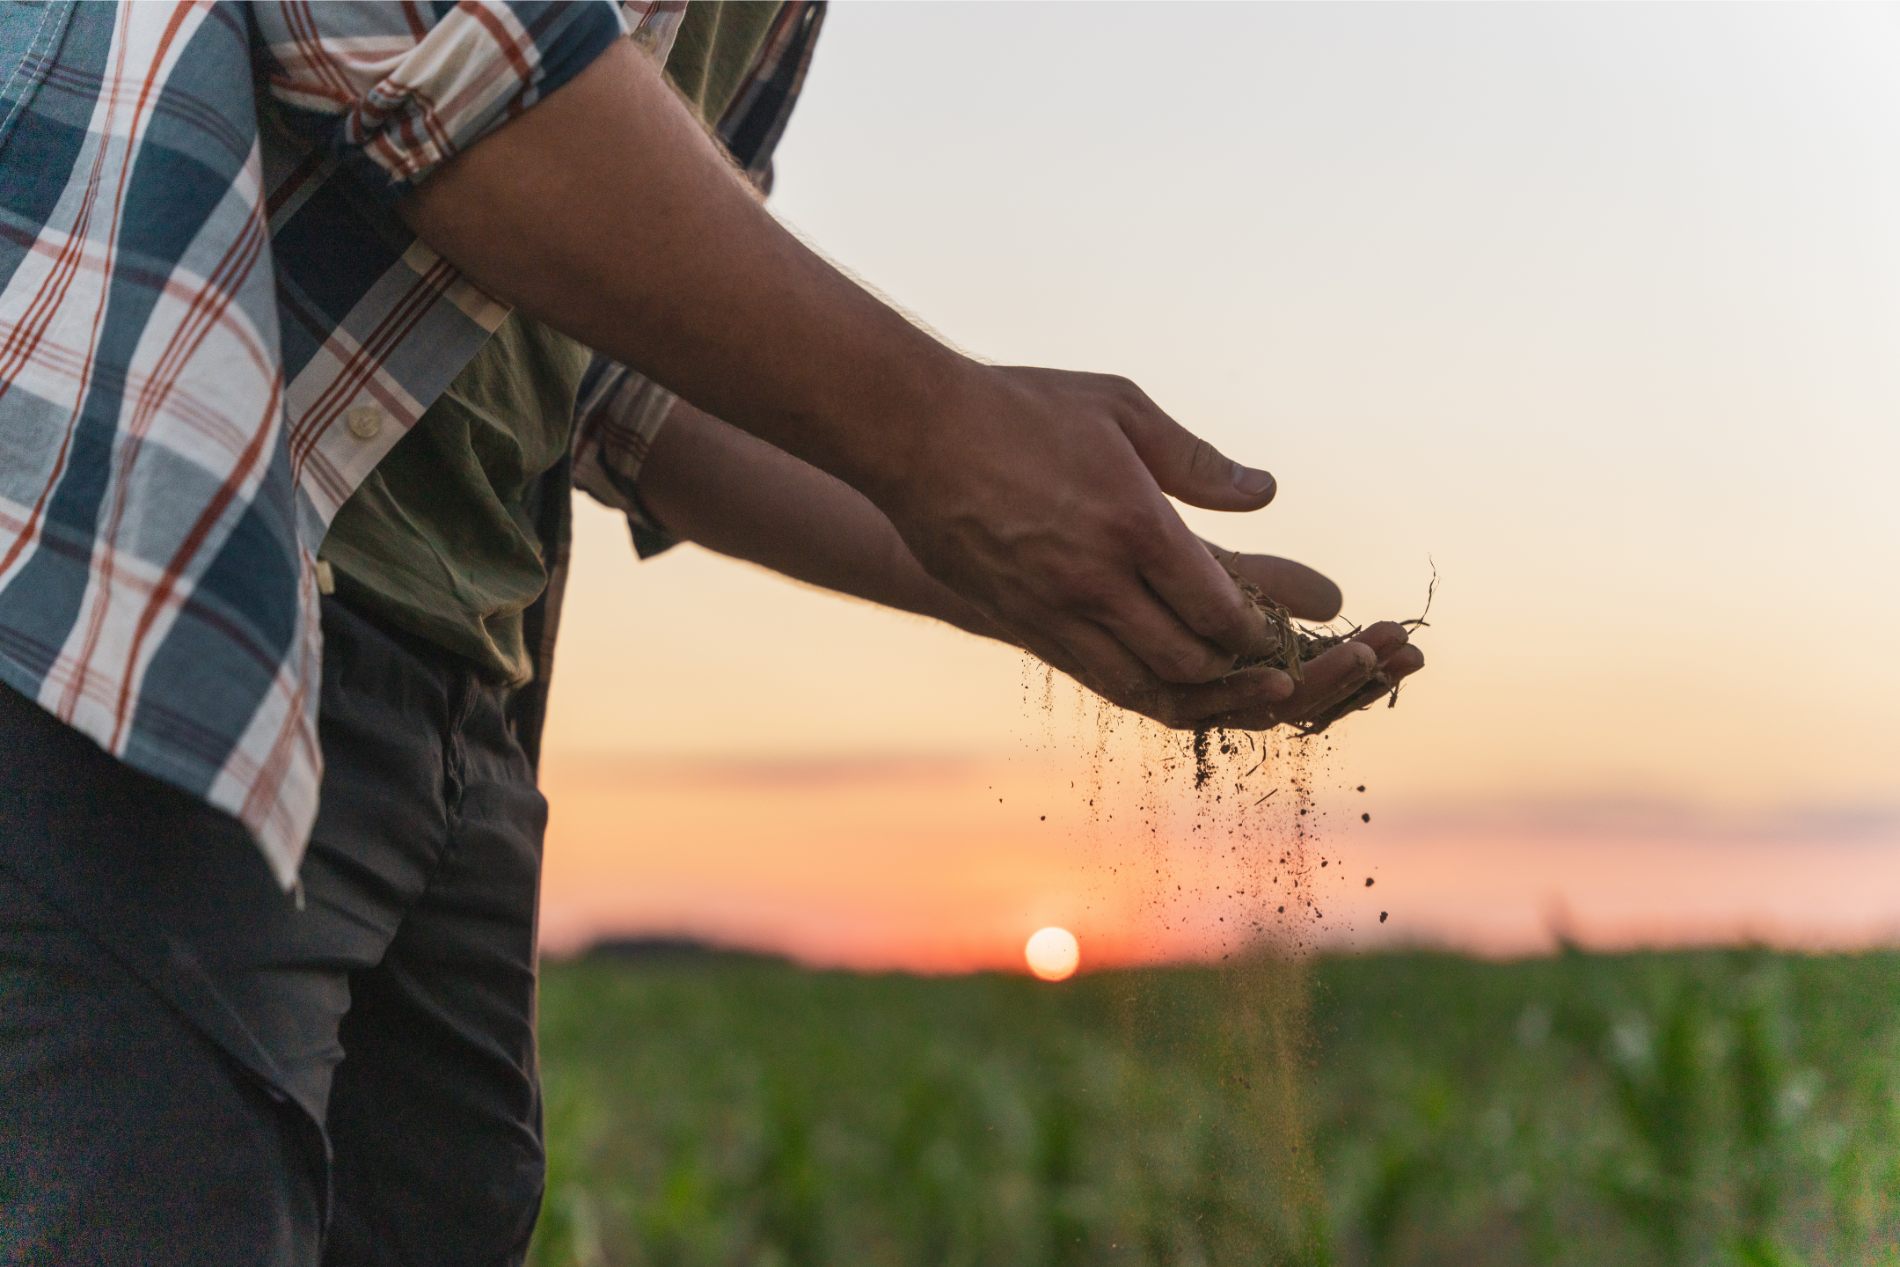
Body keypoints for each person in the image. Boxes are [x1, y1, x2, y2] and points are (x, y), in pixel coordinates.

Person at [0, 3, 1422, 1264]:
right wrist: (949, 436)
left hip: (459, 695)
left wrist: (1047, 579)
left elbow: (624, 377)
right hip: (138, 592)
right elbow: (413, 33)